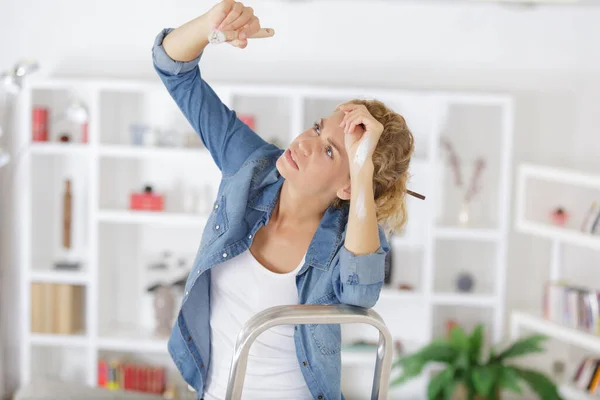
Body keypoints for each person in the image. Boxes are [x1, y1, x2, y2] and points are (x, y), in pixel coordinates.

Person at [152, 1, 417, 398]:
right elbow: (172, 69)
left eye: (329, 151)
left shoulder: (350, 237)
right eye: (316, 128)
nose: (306, 143)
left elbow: (361, 293)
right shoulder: (254, 167)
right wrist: (212, 24)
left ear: (349, 188)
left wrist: (362, 170)